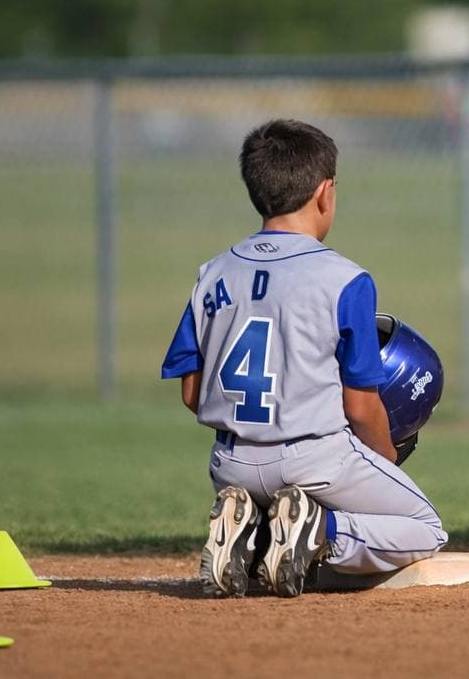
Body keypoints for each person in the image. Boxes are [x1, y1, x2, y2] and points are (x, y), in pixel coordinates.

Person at [161, 119, 447, 597]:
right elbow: (360, 406)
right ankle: (318, 531)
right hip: (314, 456)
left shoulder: (211, 275)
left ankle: (256, 532)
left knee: (276, 494)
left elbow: (192, 393)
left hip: (229, 461)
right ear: (325, 192)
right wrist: (386, 461)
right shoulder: (344, 278)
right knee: (425, 526)